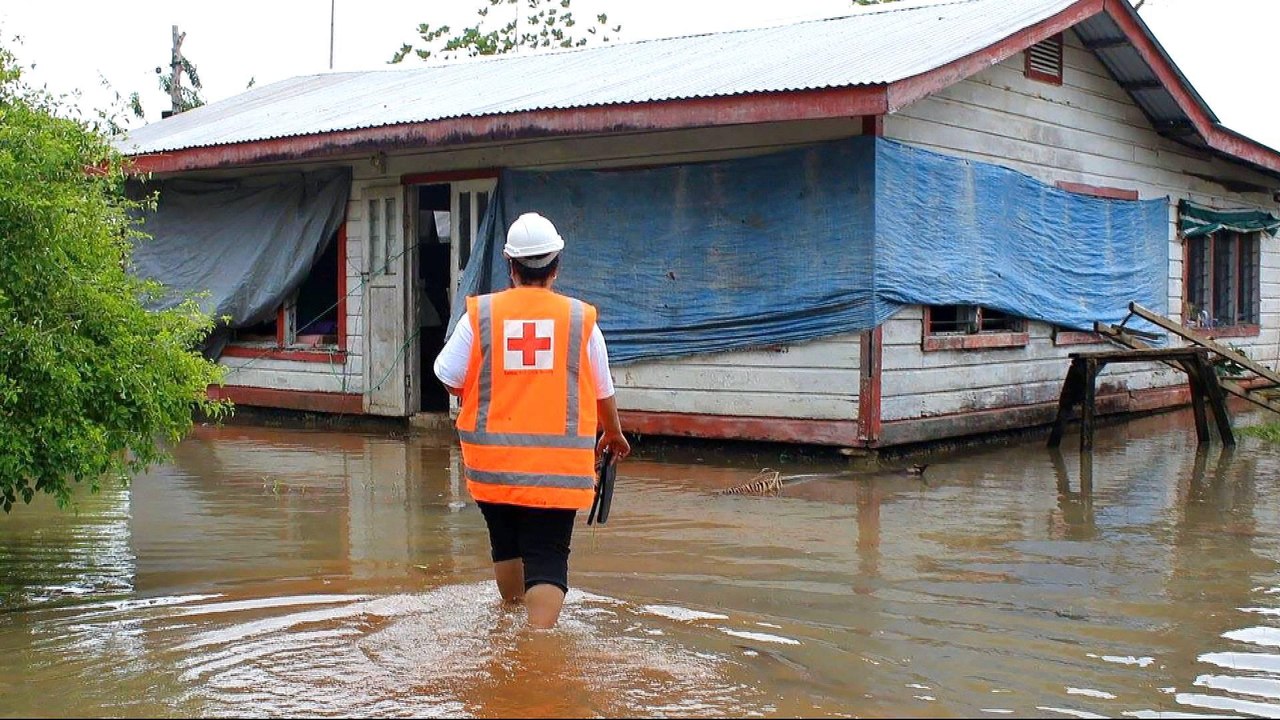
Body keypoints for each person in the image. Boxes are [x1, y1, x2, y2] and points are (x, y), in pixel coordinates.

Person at [433, 211, 631, 629]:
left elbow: (447, 375)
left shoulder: (481, 316)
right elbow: (603, 390)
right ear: (555, 266)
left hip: (493, 467)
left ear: (510, 266)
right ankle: (537, 647)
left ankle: (509, 625)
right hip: (556, 471)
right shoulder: (579, 320)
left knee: (506, 545)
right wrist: (613, 434)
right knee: (547, 555)